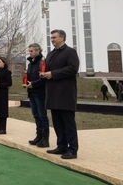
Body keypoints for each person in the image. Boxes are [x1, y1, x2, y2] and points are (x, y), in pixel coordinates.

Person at [41, 29, 80, 160]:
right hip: (53, 93)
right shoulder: (51, 54)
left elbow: (73, 68)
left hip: (65, 93)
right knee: (57, 122)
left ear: (62, 38)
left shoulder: (70, 52)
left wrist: (53, 74)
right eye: (51, 38)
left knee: (68, 123)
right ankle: (61, 146)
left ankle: (72, 149)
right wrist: (43, 74)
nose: (52, 40)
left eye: (54, 37)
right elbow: (46, 68)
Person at [26, 43, 49, 148]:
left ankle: (45, 139)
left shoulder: (42, 62)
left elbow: (43, 78)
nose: (30, 53)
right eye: (29, 51)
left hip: (40, 92)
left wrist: (33, 84)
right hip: (31, 92)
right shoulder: (31, 64)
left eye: (31, 51)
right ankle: (38, 136)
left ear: (37, 51)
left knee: (42, 115)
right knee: (36, 115)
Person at [0, 57, 12, 134]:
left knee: (3, 110)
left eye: (0, 62)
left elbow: (9, 83)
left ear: (4, 63)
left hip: (3, 92)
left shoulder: (7, 72)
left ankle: (3, 128)